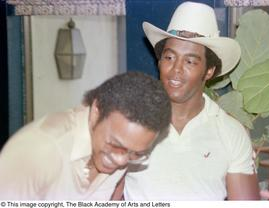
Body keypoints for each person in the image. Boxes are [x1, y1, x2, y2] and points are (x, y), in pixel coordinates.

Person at [114, 2, 260, 200]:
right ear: (159, 62)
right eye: (169, 57)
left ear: (209, 71)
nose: (176, 70)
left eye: (190, 61)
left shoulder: (230, 132)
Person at [0, 71, 171, 200]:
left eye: (136, 153)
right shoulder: (41, 150)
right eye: (115, 145)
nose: (121, 161)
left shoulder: (122, 146)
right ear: (96, 110)